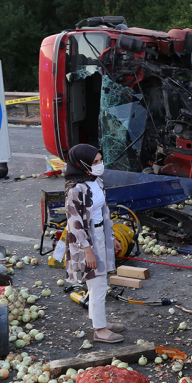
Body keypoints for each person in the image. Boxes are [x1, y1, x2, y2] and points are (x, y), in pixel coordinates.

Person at [63, 144, 124, 344]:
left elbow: (104, 211)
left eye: (100, 161)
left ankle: (101, 321)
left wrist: (112, 237)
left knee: (99, 282)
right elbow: (75, 224)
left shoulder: (96, 181)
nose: (99, 165)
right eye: (94, 162)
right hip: (87, 242)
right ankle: (99, 330)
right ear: (81, 164)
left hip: (101, 235)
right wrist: (88, 251)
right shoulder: (75, 189)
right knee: (97, 284)